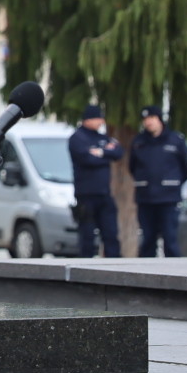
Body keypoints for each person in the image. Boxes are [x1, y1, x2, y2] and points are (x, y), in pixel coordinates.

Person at [127, 106, 187, 258]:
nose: (148, 122)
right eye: (145, 119)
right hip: (146, 197)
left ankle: (174, 270)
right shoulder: (139, 142)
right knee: (148, 239)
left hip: (168, 198)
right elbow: (132, 167)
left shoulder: (175, 140)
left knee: (170, 238)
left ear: (160, 120)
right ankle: (146, 270)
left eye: (152, 118)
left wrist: (174, 182)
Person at [66, 103, 123, 258]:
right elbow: (86, 159)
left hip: (104, 194)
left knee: (111, 234)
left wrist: (100, 152)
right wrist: (106, 154)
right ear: (88, 119)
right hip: (86, 195)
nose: (101, 122)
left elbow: (118, 152)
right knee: (87, 236)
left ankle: (115, 265)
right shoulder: (77, 138)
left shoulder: (102, 137)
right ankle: (85, 266)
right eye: (98, 118)